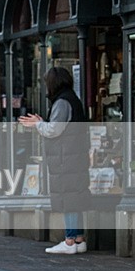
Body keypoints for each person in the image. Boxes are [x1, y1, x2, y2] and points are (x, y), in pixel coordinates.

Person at [20, 67, 91, 254]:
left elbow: (54, 130)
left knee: (68, 199)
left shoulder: (62, 102)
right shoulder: (73, 99)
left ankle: (69, 241)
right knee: (75, 196)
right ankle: (79, 239)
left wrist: (38, 124)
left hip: (65, 158)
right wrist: (42, 122)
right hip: (75, 156)